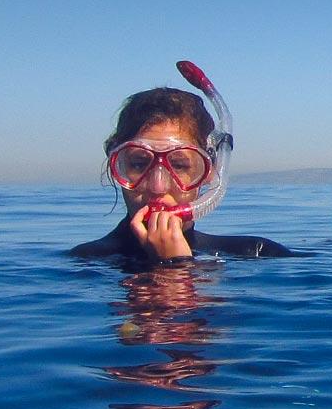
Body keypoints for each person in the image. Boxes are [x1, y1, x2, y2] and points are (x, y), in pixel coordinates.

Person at [71, 62, 293, 261]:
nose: (158, 187)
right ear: (116, 165)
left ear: (209, 170)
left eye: (179, 165)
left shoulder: (258, 253)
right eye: (139, 164)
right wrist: (174, 268)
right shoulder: (84, 263)